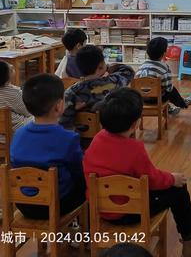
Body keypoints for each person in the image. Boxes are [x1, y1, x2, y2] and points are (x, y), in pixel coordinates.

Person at [83, 88, 191, 257]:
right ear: (134, 124)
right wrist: (173, 178)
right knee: (179, 190)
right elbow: (153, 180)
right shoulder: (134, 148)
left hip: (100, 210)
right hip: (131, 212)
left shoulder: (97, 139)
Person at [10, 74, 85, 219]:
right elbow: (79, 171)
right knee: (86, 183)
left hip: (24, 203)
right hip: (57, 204)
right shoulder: (68, 138)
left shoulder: (18, 134)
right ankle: (80, 232)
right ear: (59, 106)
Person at [60, 45, 134, 129]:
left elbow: (64, 122)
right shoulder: (112, 83)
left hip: (82, 137)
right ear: (101, 65)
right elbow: (128, 71)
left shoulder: (71, 92)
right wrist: (108, 67)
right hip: (110, 132)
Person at [136, 37, 191, 116]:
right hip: (157, 99)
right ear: (164, 53)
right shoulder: (163, 68)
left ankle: (169, 109)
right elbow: (168, 88)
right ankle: (184, 103)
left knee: (160, 89)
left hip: (142, 99)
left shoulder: (141, 66)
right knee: (171, 90)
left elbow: (136, 80)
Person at [0, 61, 32, 135]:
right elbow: (27, 112)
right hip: (14, 133)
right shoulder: (13, 93)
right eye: (11, 69)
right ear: (6, 76)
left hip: (2, 133)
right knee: (42, 117)